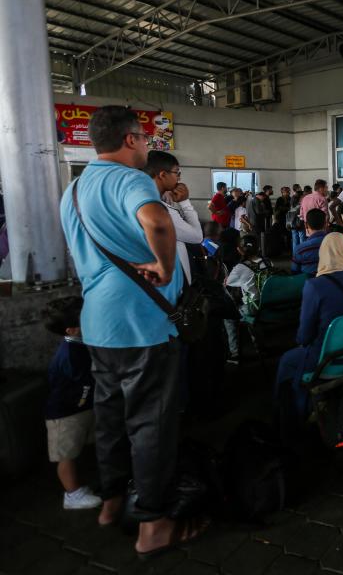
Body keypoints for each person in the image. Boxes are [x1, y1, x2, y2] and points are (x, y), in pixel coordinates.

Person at [59, 106, 197, 556]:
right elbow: (157, 223)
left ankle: (111, 500)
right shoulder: (130, 179)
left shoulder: (74, 190)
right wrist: (165, 264)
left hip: (99, 325)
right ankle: (153, 525)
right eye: (144, 138)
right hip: (141, 325)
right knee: (150, 425)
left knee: (112, 418)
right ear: (131, 140)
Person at [275, 233, 343, 425]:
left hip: (325, 359)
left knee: (286, 361)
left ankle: (288, 418)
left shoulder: (314, 286)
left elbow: (304, 337)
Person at [42, 297, 101, 511]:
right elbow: (85, 381)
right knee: (65, 454)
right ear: (72, 330)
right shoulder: (70, 355)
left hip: (82, 406)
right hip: (66, 413)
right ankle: (72, 494)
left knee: (80, 446)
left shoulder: (80, 343)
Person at [144, 151, 203, 286]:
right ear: (163, 175)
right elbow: (196, 236)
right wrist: (185, 203)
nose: (179, 178)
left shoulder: (145, 201)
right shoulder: (159, 210)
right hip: (174, 285)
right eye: (177, 172)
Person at [291, 209, 327, 276]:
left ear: (306, 225)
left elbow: (294, 274)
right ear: (326, 224)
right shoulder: (336, 245)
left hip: (307, 284)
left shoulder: (299, 250)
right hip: (332, 285)